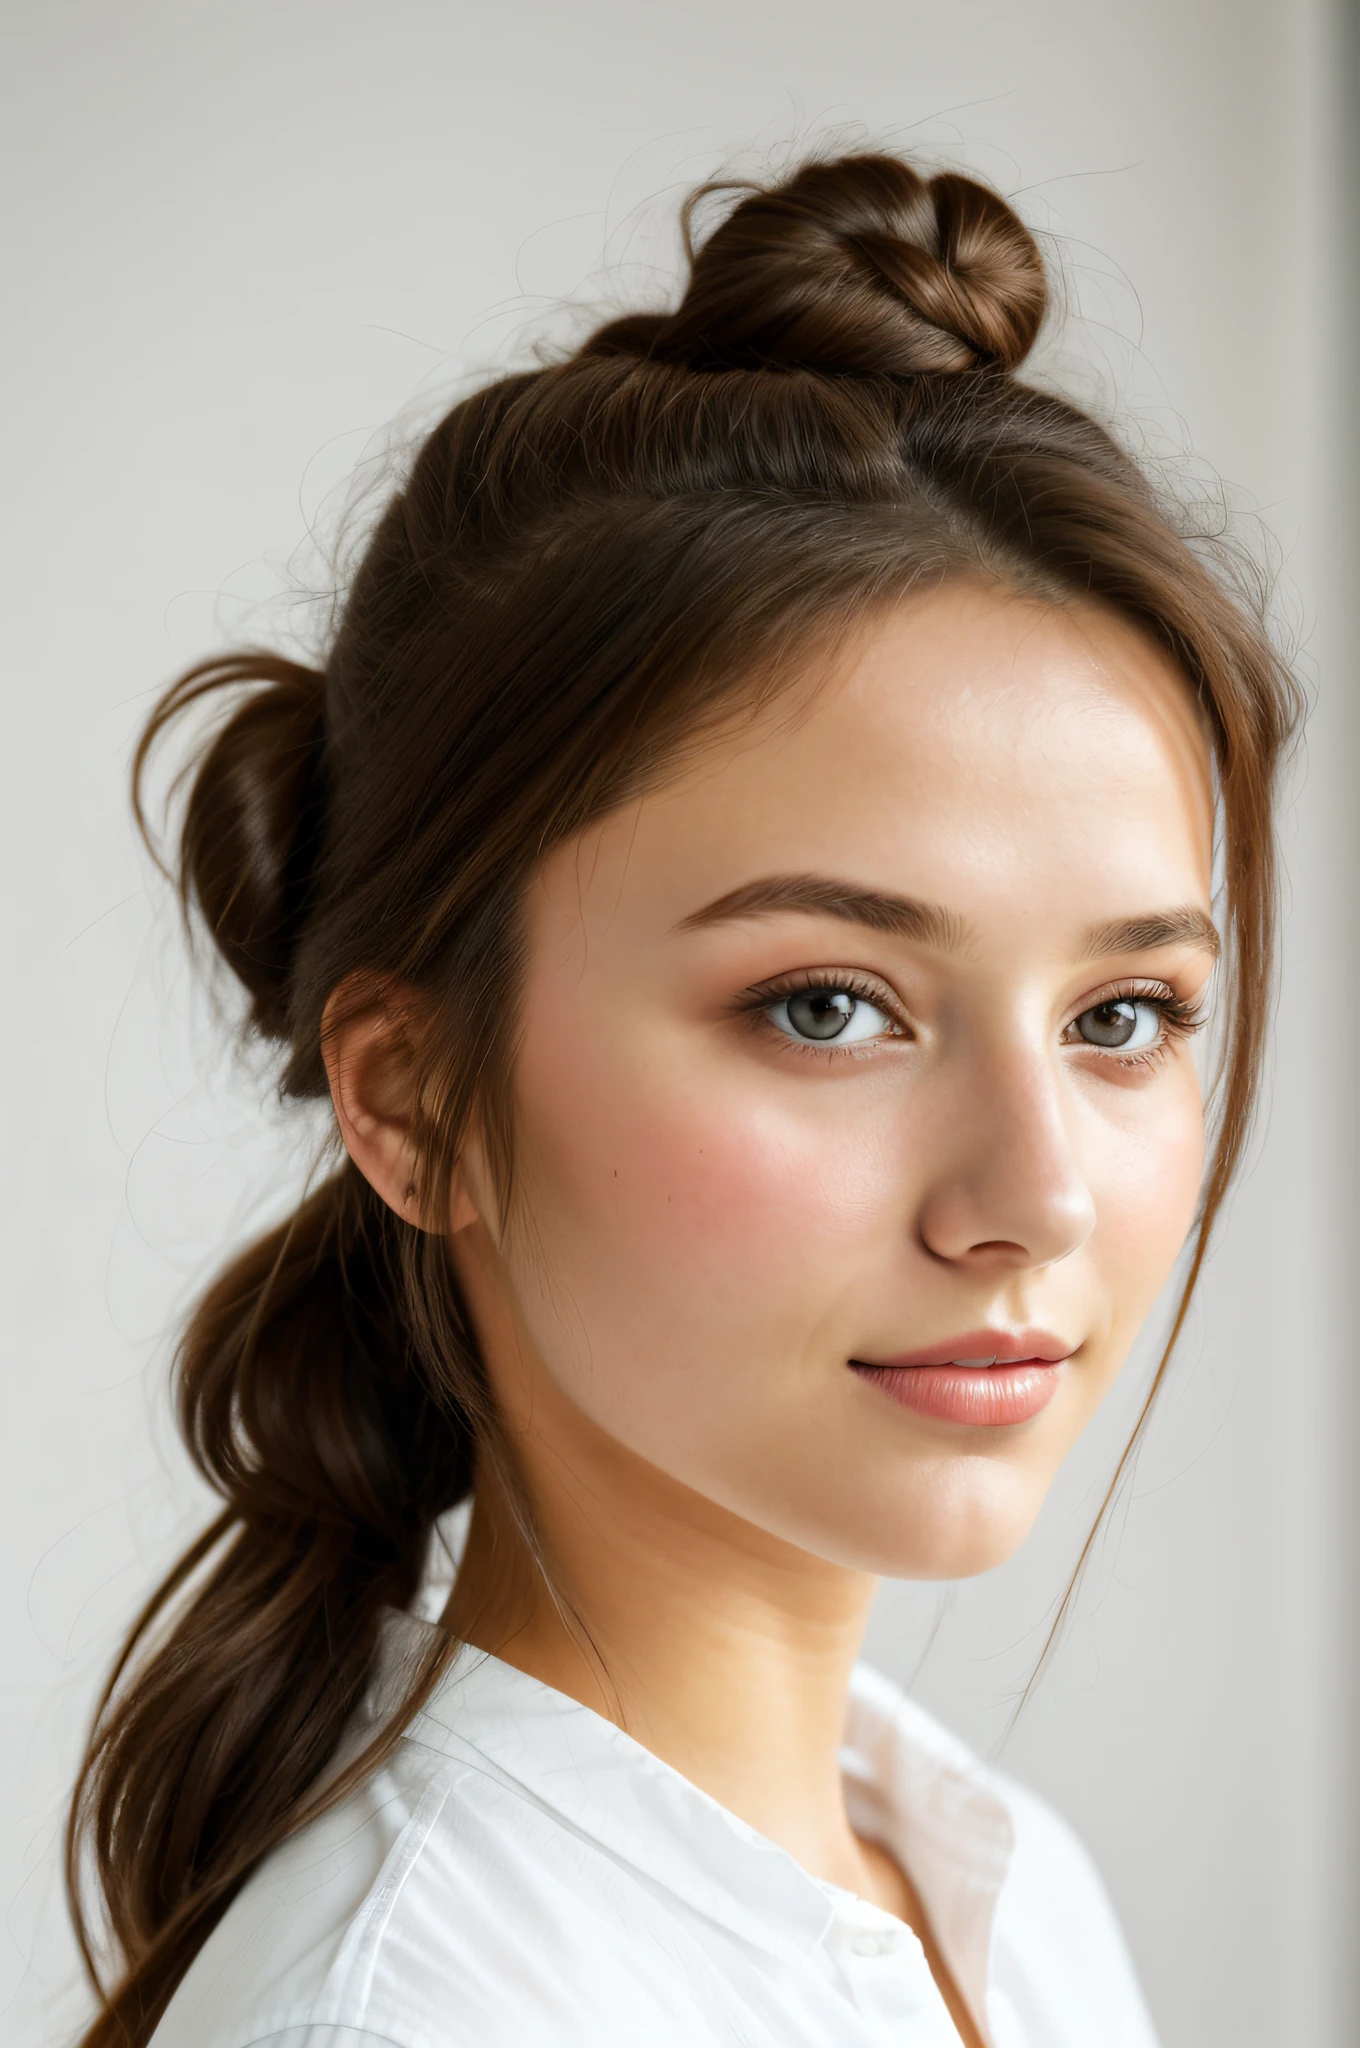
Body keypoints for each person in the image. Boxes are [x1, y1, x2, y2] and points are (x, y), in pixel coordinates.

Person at [66, 151, 1299, 2048]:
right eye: (828, 1006)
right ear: (415, 1102)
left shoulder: (999, 1893)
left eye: (1127, 1014)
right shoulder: (411, 2018)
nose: (1036, 1193)